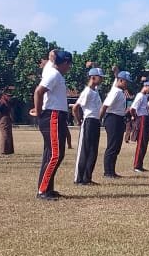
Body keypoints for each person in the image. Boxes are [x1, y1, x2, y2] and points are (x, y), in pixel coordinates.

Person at [33, 49, 73, 200]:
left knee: (51, 154)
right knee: (55, 155)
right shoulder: (54, 74)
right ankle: (43, 191)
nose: (69, 67)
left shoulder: (54, 72)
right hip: (53, 116)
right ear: (63, 63)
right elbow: (38, 92)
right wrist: (38, 112)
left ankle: (47, 188)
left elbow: (52, 55)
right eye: (69, 64)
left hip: (57, 115)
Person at [73, 67, 104, 184]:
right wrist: (78, 120)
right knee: (84, 150)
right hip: (88, 120)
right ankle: (78, 178)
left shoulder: (95, 91)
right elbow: (76, 107)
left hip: (96, 121)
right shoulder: (87, 92)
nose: (101, 80)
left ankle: (87, 177)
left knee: (93, 150)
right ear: (93, 77)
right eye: (100, 78)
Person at [100, 70, 131, 178]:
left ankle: (112, 170)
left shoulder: (120, 92)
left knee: (116, 146)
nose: (127, 84)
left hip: (118, 118)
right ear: (121, 80)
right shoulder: (115, 91)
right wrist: (99, 120)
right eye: (126, 82)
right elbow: (105, 106)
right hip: (112, 118)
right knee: (112, 146)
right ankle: (107, 171)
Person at [130, 79, 149, 172]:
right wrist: (135, 117)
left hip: (145, 118)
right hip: (142, 118)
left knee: (144, 142)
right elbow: (133, 108)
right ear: (146, 86)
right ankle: (136, 165)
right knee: (141, 143)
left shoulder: (144, 96)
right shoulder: (140, 96)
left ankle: (140, 164)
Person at [0, 88, 15, 155]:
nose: (10, 97)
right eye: (8, 95)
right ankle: (3, 151)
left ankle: (9, 150)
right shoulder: (3, 102)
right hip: (4, 118)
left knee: (9, 135)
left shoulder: (8, 102)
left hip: (8, 118)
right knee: (5, 135)